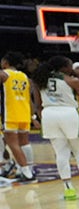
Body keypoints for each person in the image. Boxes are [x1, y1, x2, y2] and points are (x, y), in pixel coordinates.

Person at [32, 55, 79, 199]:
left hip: (49, 114)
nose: (71, 68)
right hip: (68, 113)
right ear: (63, 67)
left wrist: (43, 118)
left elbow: (37, 104)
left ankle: (68, 190)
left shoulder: (39, 79)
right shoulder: (72, 80)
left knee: (61, 153)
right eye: (70, 65)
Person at [0, 51, 36, 182]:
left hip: (10, 113)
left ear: (6, 62)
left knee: (12, 144)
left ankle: (26, 172)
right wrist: (33, 116)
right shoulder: (24, 76)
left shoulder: (3, 74)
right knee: (24, 143)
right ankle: (30, 168)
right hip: (24, 113)